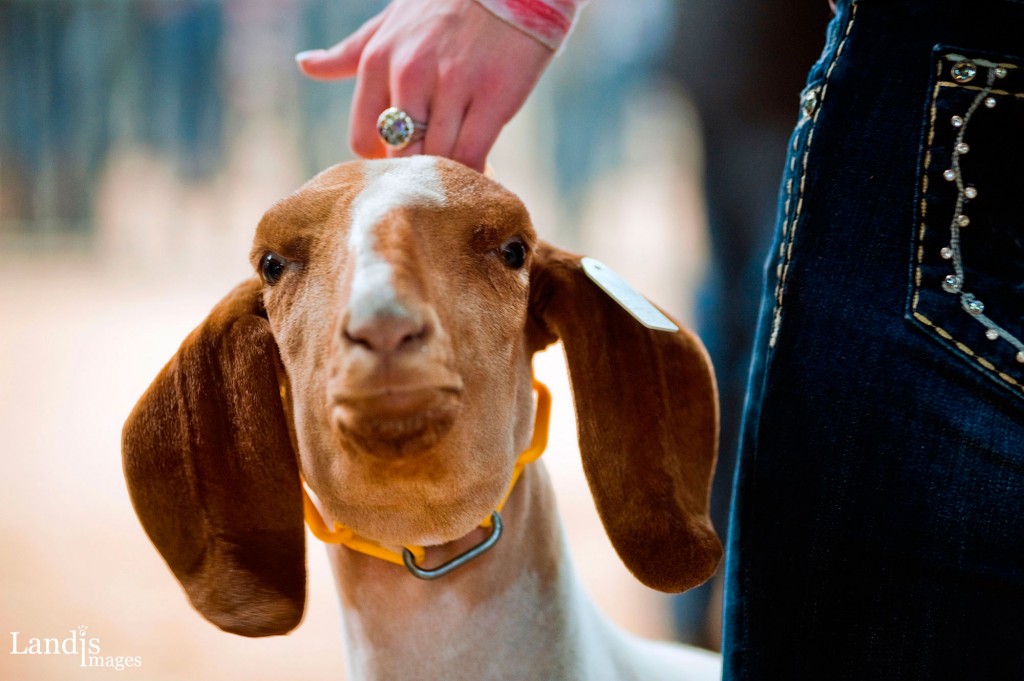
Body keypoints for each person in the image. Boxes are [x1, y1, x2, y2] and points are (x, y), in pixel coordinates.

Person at [296, 1, 1024, 678]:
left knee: (744, 313)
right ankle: (693, 598)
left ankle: (691, 590)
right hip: (838, 92)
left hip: (922, 86)